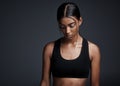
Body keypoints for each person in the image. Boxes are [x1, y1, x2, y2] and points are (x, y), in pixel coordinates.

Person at [40, 2, 101, 86]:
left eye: (71, 25)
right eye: (62, 27)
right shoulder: (50, 48)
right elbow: (45, 82)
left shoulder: (93, 50)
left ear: (80, 21)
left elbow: (95, 84)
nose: (67, 31)